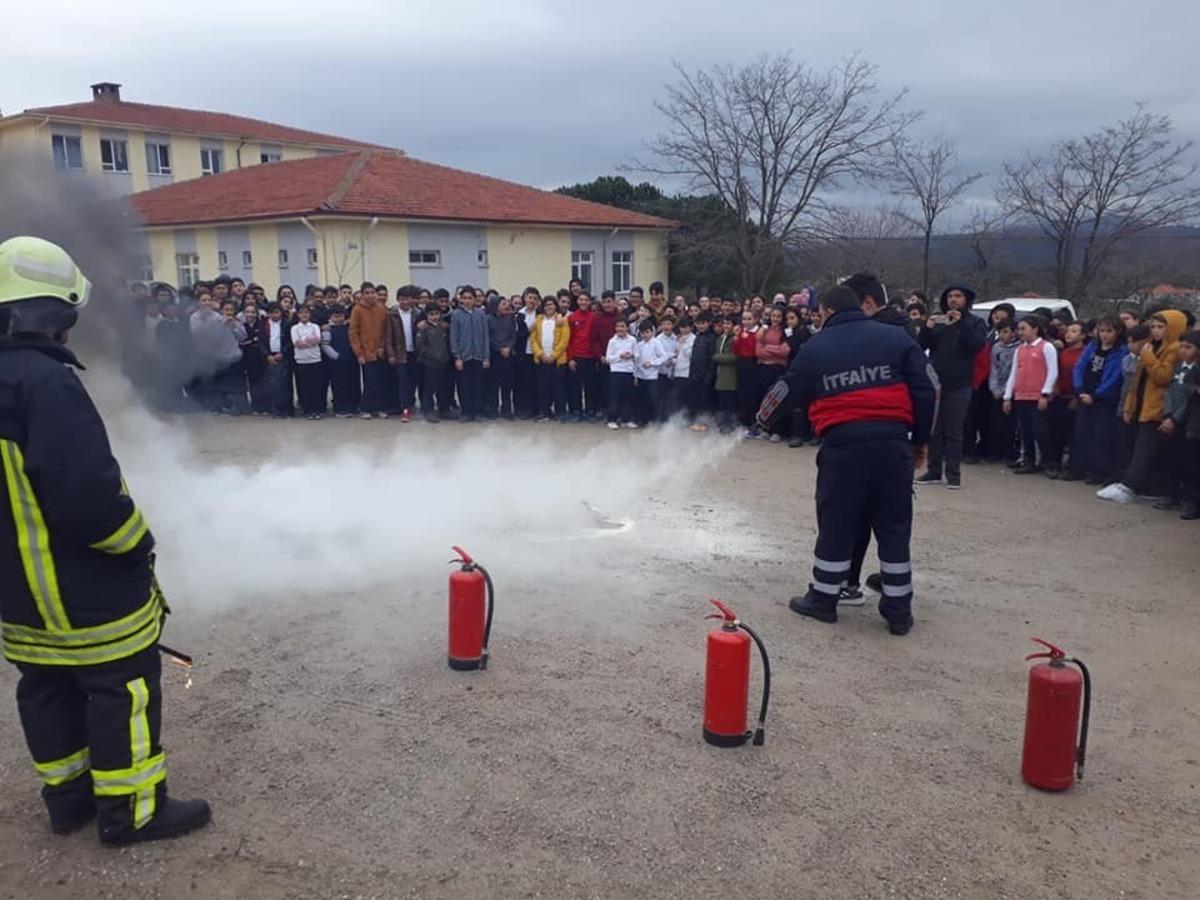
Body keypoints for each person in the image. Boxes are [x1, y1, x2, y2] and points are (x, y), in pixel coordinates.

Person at [0, 236, 211, 844]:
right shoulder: (45, 384)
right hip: (81, 584)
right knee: (123, 687)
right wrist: (136, 542)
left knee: (45, 686)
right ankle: (135, 810)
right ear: (53, 314)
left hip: (18, 591)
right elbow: (88, 498)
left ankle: (67, 800)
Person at [756, 286, 937, 636]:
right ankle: (898, 610)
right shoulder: (896, 338)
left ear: (825, 311)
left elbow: (786, 389)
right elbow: (929, 386)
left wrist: (763, 418)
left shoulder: (816, 347)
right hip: (893, 446)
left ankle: (824, 599)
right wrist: (921, 440)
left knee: (838, 521)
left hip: (844, 448)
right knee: (894, 525)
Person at [1098, 310, 1187, 504]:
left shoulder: (1174, 349)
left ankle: (1131, 485)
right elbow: (1136, 380)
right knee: (1145, 448)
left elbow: (1163, 377)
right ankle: (1147, 486)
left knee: (1145, 449)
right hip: (1143, 404)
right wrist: (1129, 406)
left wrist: (1147, 357)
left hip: (1160, 408)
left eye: (1160, 327)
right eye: (1153, 327)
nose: (1155, 331)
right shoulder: (1153, 347)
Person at [916, 285, 988, 489]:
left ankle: (954, 476)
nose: (953, 300)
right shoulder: (940, 321)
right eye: (949, 296)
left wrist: (960, 323)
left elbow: (976, 345)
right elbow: (921, 346)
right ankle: (934, 471)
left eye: (958, 296)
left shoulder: (975, 323)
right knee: (935, 430)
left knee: (953, 431)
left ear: (967, 300)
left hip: (960, 384)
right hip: (937, 384)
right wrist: (927, 328)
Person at [1065, 317, 1125, 484]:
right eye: (1102, 331)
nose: (1104, 335)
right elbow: (1079, 366)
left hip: (1104, 400)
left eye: (1109, 331)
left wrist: (1096, 395)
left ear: (1118, 332)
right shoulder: (1092, 346)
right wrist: (1079, 389)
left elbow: (1115, 377)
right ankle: (1077, 468)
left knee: (1101, 437)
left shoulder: (1121, 351)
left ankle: (1098, 471)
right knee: (1081, 434)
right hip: (1085, 395)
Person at [1003, 316, 1058, 475]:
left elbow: (1053, 371)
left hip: (1038, 395)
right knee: (1025, 430)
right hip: (1021, 395)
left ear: (1035, 328)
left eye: (1023, 328)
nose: (1020, 332)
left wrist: (1045, 393)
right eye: (1019, 329)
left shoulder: (1046, 347)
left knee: (1041, 430)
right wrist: (1008, 396)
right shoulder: (1020, 349)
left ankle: (1049, 462)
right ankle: (1029, 460)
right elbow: (1014, 373)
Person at [449, 286, 490, 423]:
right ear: (460, 299)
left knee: (478, 385)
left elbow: (486, 337)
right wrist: (457, 357)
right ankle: (466, 412)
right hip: (464, 357)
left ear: (475, 299)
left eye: (470, 298)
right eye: (464, 298)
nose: (467, 301)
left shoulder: (481, 314)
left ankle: (478, 412)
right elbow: (454, 337)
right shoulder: (456, 315)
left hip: (478, 356)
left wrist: (486, 357)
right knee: (463, 385)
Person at [350, 282, 390, 419]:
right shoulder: (357, 310)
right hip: (366, 353)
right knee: (370, 382)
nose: (370, 295)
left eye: (372, 292)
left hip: (380, 352)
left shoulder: (381, 309)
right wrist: (359, 353)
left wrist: (382, 347)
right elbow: (353, 333)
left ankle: (379, 408)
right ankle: (365, 408)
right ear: (362, 294)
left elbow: (386, 331)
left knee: (382, 382)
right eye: (367, 293)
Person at [987, 320, 1020, 465]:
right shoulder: (996, 348)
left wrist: (1007, 390)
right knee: (996, 422)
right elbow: (993, 368)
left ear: (1014, 332)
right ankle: (996, 451)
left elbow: (1016, 372)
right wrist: (994, 388)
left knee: (1011, 425)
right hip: (997, 390)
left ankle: (1010, 452)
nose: (1002, 335)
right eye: (999, 332)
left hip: (1012, 391)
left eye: (1005, 332)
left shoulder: (1019, 348)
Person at [531, 297, 568, 422]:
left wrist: (554, 355)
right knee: (543, 387)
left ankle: (560, 412)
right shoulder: (538, 320)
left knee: (558, 387)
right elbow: (533, 339)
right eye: (546, 305)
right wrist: (540, 354)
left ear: (555, 306)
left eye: (551, 304)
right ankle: (544, 412)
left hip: (557, 360)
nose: (549, 307)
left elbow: (564, 340)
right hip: (542, 359)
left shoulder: (562, 320)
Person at [416, 305, 452, 422]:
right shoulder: (423, 328)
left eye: (436, 314)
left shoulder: (445, 327)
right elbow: (421, 346)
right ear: (426, 315)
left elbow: (448, 344)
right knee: (429, 388)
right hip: (429, 363)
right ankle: (428, 410)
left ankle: (444, 409)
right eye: (431, 314)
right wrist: (432, 356)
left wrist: (446, 356)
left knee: (443, 387)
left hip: (444, 362)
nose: (434, 316)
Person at [324, 307, 361, 418]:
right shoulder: (328, 330)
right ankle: (340, 409)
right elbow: (325, 345)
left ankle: (354, 407)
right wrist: (336, 356)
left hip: (351, 360)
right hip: (337, 363)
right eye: (335, 316)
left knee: (353, 384)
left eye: (340, 316)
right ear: (330, 317)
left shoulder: (349, 328)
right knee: (339, 386)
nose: (338, 318)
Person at [566, 292, 597, 421]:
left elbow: (596, 338)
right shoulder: (572, 318)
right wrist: (570, 358)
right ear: (577, 301)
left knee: (590, 386)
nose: (583, 302)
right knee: (575, 386)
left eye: (586, 300)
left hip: (590, 357)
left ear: (590, 302)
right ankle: (577, 411)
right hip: (576, 356)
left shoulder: (594, 317)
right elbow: (569, 339)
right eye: (581, 299)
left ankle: (590, 410)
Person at [291, 305, 325, 419]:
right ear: (298, 315)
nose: (304, 315)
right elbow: (296, 343)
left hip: (315, 359)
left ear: (310, 314)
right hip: (301, 361)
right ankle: (308, 410)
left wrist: (304, 340)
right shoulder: (294, 328)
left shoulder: (315, 326)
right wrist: (309, 339)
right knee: (305, 387)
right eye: (301, 313)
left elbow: (317, 340)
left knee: (316, 386)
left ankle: (317, 410)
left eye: (306, 313)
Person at [604, 318, 637, 428]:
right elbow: (608, 358)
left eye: (622, 326)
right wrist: (620, 356)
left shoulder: (632, 340)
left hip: (628, 371)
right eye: (618, 326)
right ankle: (612, 419)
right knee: (614, 397)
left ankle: (626, 419)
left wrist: (631, 355)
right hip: (616, 372)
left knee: (628, 396)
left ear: (627, 328)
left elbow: (637, 355)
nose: (620, 329)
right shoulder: (612, 341)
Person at [713, 316, 739, 434]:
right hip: (720, 374)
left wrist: (717, 357)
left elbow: (734, 357)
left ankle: (730, 424)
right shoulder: (720, 339)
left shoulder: (735, 339)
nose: (726, 326)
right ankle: (722, 423)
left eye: (729, 323)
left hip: (730, 375)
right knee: (722, 400)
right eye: (724, 323)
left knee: (730, 401)